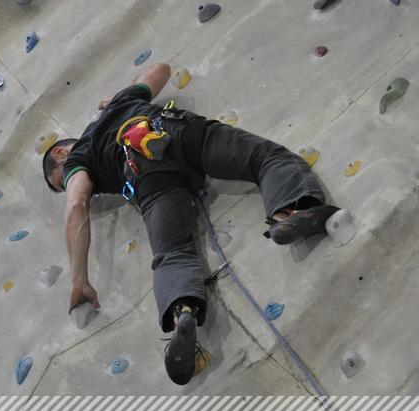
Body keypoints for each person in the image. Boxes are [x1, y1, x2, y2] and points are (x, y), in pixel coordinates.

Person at [41, 63, 339, 385]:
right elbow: (161, 69)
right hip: (180, 134)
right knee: (265, 159)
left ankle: (182, 309)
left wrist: (79, 280)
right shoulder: (121, 103)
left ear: (60, 153)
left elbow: (76, 204)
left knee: (173, 253)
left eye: (60, 181)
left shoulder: (76, 160)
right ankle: (291, 211)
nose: (69, 183)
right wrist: (118, 95)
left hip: (149, 182)